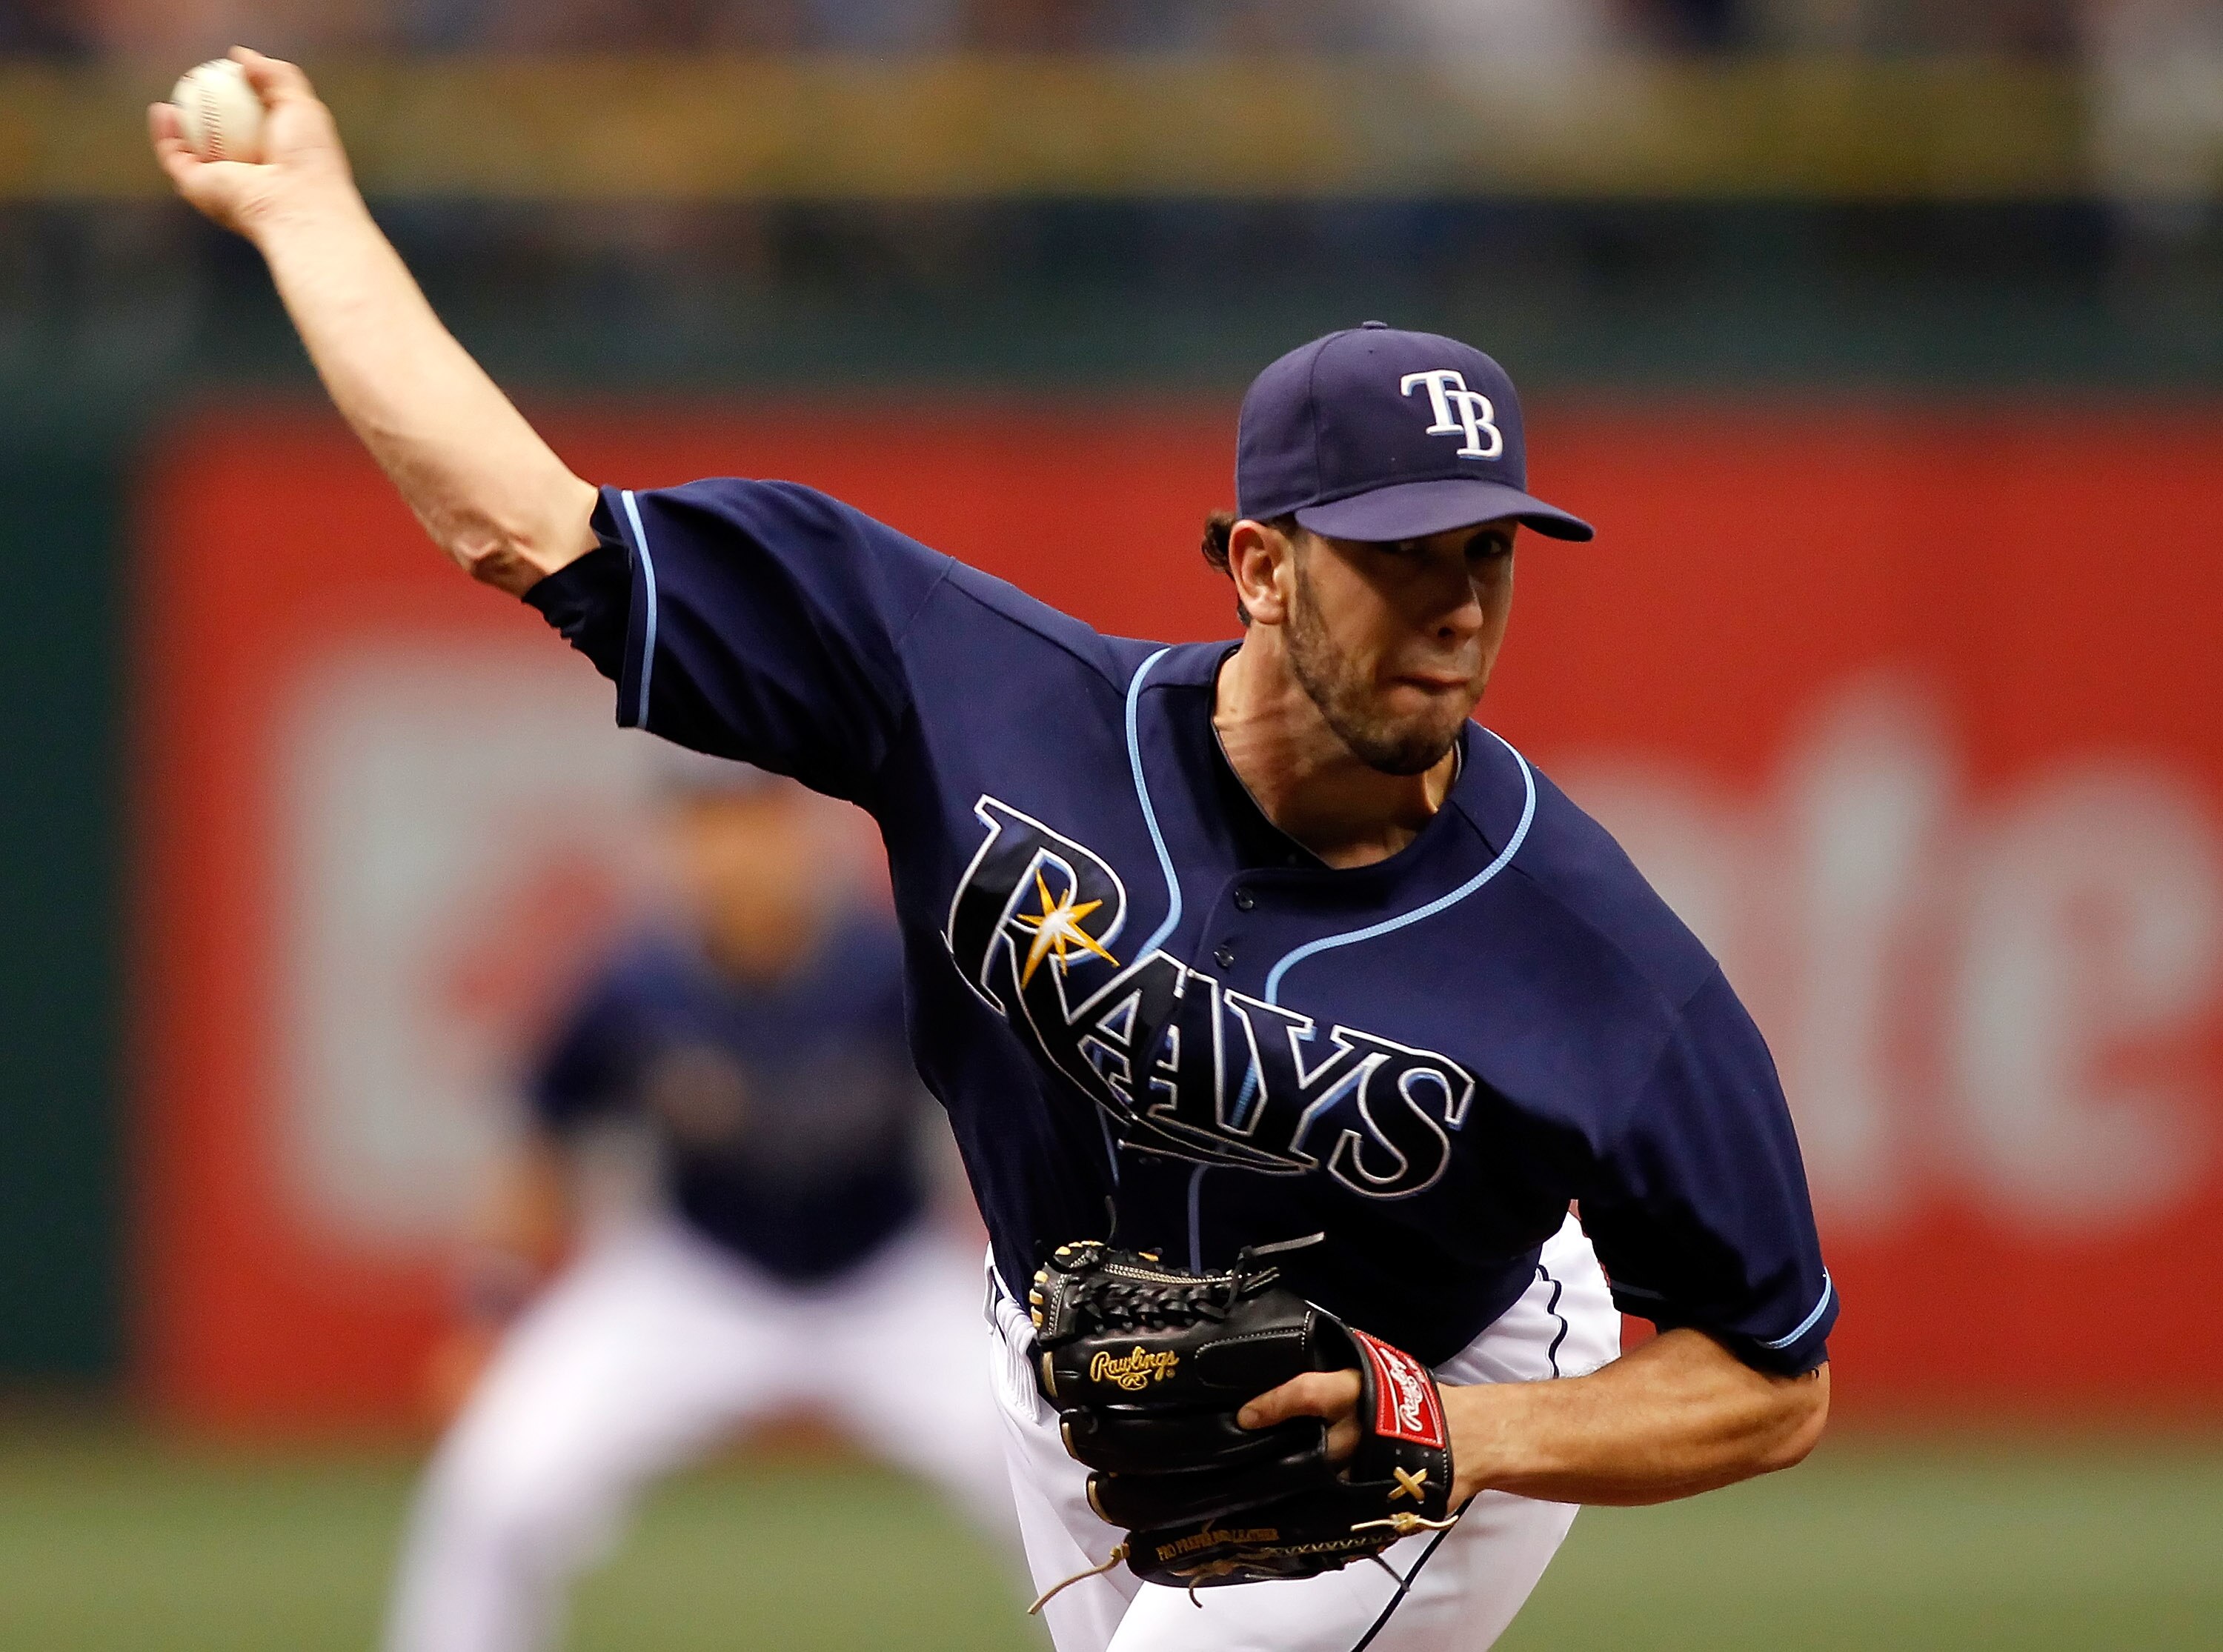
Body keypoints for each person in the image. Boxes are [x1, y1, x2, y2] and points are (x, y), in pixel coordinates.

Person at [153, 52, 1835, 1652]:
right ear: (1257, 564)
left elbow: (1771, 1376)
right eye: (1397, 554)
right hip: (1056, 1353)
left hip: (1414, 1390)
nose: (1458, 602)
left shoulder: (1592, 956)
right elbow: (523, 523)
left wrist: (1451, 1430)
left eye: (1486, 549)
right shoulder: (972, 696)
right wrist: (309, 217)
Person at [384, 759, 1016, 1652]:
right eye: (706, 828)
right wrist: (491, 1312)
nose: (733, 854)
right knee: (497, 1489)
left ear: (803, 837)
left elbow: (1013, 1121)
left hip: (888, 1276)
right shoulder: (633, 982)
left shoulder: (896, 966)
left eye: (754, 822)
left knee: (1075, 1483)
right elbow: (541, 1144)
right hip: (693, 1276)